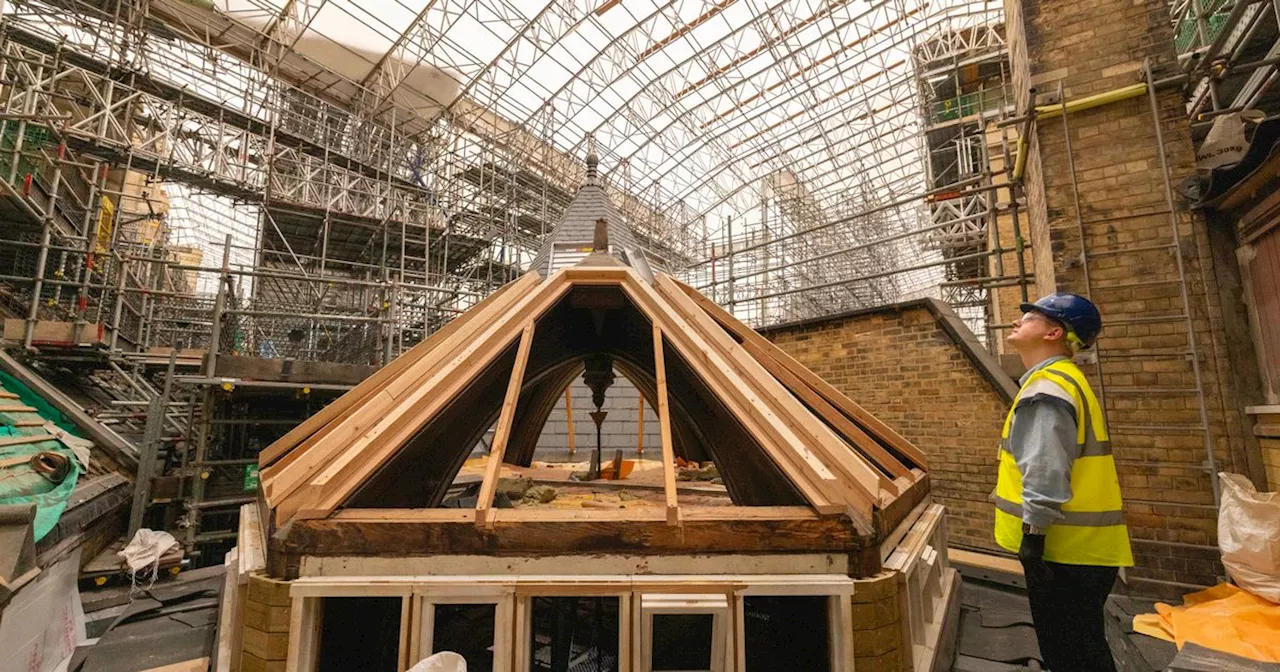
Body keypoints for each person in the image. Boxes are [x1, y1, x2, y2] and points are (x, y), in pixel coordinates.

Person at [994, 293, 1133, 672]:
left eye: (1031, 317)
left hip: (1061, 552)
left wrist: (1033, 535)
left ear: (1054, 332)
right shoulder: (1064, 381)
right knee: (1082, 648)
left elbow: (1045, 468)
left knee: (1071, 656)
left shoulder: (1047, 388)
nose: (1017, 321)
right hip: (1081, 552)